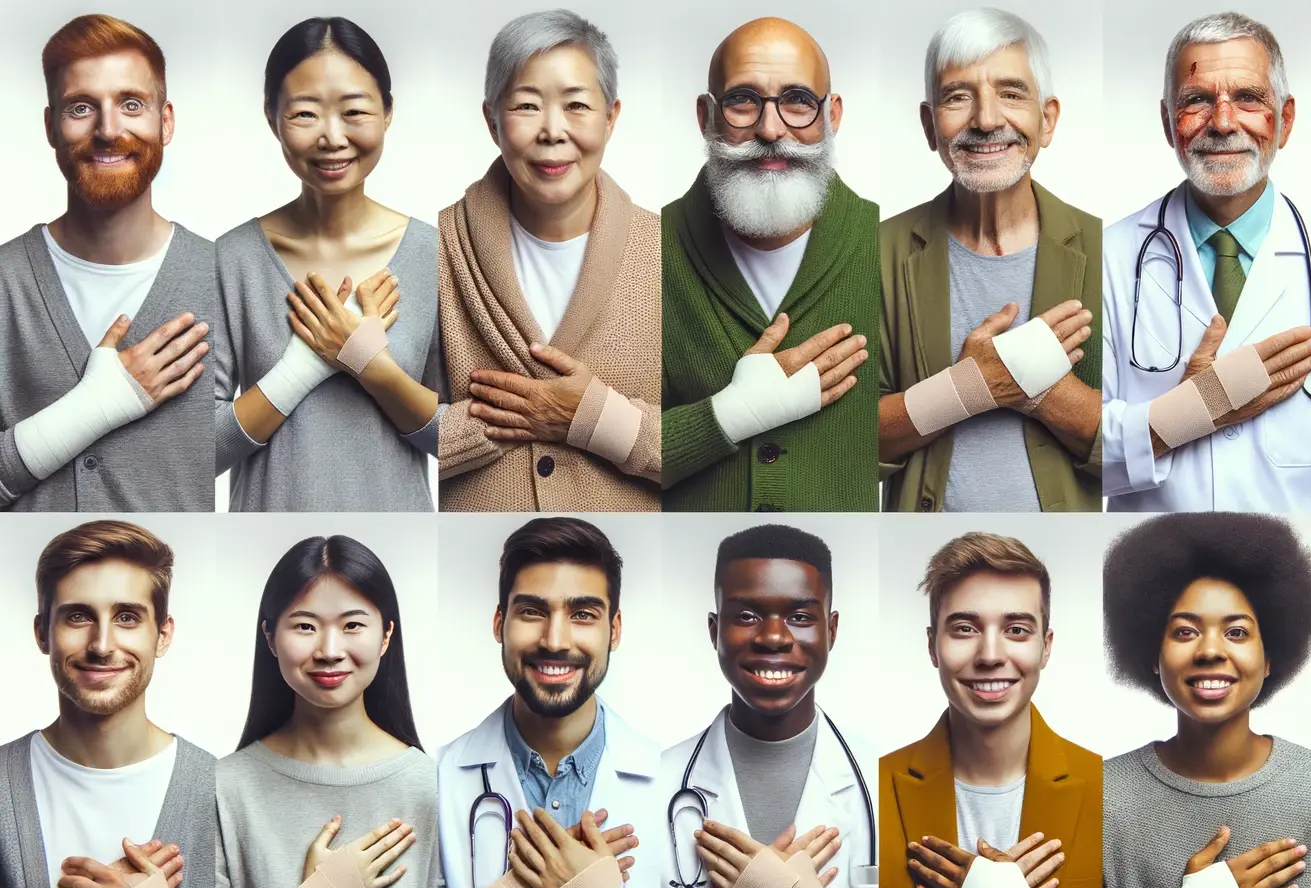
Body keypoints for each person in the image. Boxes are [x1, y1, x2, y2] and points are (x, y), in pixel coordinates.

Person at [188, 536, 434, 888]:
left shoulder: (430, 787)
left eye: (352, 626)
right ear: (269, 636)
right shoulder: (223, 786)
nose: (328, 650)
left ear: (386, 636)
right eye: (305, 626)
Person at [1098, 513, 1311, 888]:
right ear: (1152, 655)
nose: (1210, 651)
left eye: (1238, 631)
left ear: (1271, 657)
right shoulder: (1102, 796)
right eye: (1184, 631)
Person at [1101, 13, 1311, 513]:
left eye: (1248, 98)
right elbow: (1072, 456)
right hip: (1157, 560)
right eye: (1197, 101)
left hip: (1286, 563)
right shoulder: (1108, 258)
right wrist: (1185, 414)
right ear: (1168, 122)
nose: (1223, 123)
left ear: (1285, 120)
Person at [435, 518, 660, 888]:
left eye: (583, 613)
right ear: (499, 624)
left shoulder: (672, 779)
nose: (555, 639)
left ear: (614, 631)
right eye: (532, 612)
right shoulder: (437, 777)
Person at [213, 17, 443, 512]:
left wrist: (364, 360)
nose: (332, 137)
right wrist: (303, 366)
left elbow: (467, 439)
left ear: (387, 112)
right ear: (271, 117)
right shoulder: (230, 260)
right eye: (305, 115)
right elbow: (194, 451)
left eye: (354, 111)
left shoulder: (436, 255)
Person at [878, 533, 1109, 888]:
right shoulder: (873, 784)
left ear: (1046, 647)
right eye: (964, 628)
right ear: (932, 645)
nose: (989, 654)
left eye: (1017, 630)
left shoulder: (1108, 786)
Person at [438, 11, 663, 512]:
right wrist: (512, 416)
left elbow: (709, 441)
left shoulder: (669, 251)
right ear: (491, 120)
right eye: (526, 106)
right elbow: (386, 429)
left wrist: (595, 419)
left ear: (611, 117)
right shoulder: (436, 245)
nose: (552, 131)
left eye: (577, 105)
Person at [877, 10, 1101, 513]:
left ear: (1048, 120)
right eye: (958, 96)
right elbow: (843, 447)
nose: (986, 119)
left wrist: (1040, 390)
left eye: (1011, 93)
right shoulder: (875, 253)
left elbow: (1147, 445)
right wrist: (967, 388)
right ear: (930, 125)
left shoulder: (1112, 248)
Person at [661, 18, 880, 512]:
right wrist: (727, 416)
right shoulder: (643, 249)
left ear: (833, 115)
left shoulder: (889, 244)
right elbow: (604, 460)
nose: (771, 129)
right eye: (743, 100)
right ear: (705, 116)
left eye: (798, 100)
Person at [661, 524, 878, 888]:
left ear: (832, 629)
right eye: (747, 616)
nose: (775, 637)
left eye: (801, 616)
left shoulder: (886, 779)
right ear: (714, 630)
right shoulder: (657, 782)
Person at [0, 521, 214, 888]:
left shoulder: (221, 791)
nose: (101, 643)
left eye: (126, 617)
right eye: (77, 616)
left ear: (162, 634)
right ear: (41, 633)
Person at [0, 15, 216, 512]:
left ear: (166, 122)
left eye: (131, 104)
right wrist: (92, 408)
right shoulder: (6, 282)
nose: (108, 130)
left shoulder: (224, 277)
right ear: (51, 125)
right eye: (81, 107)